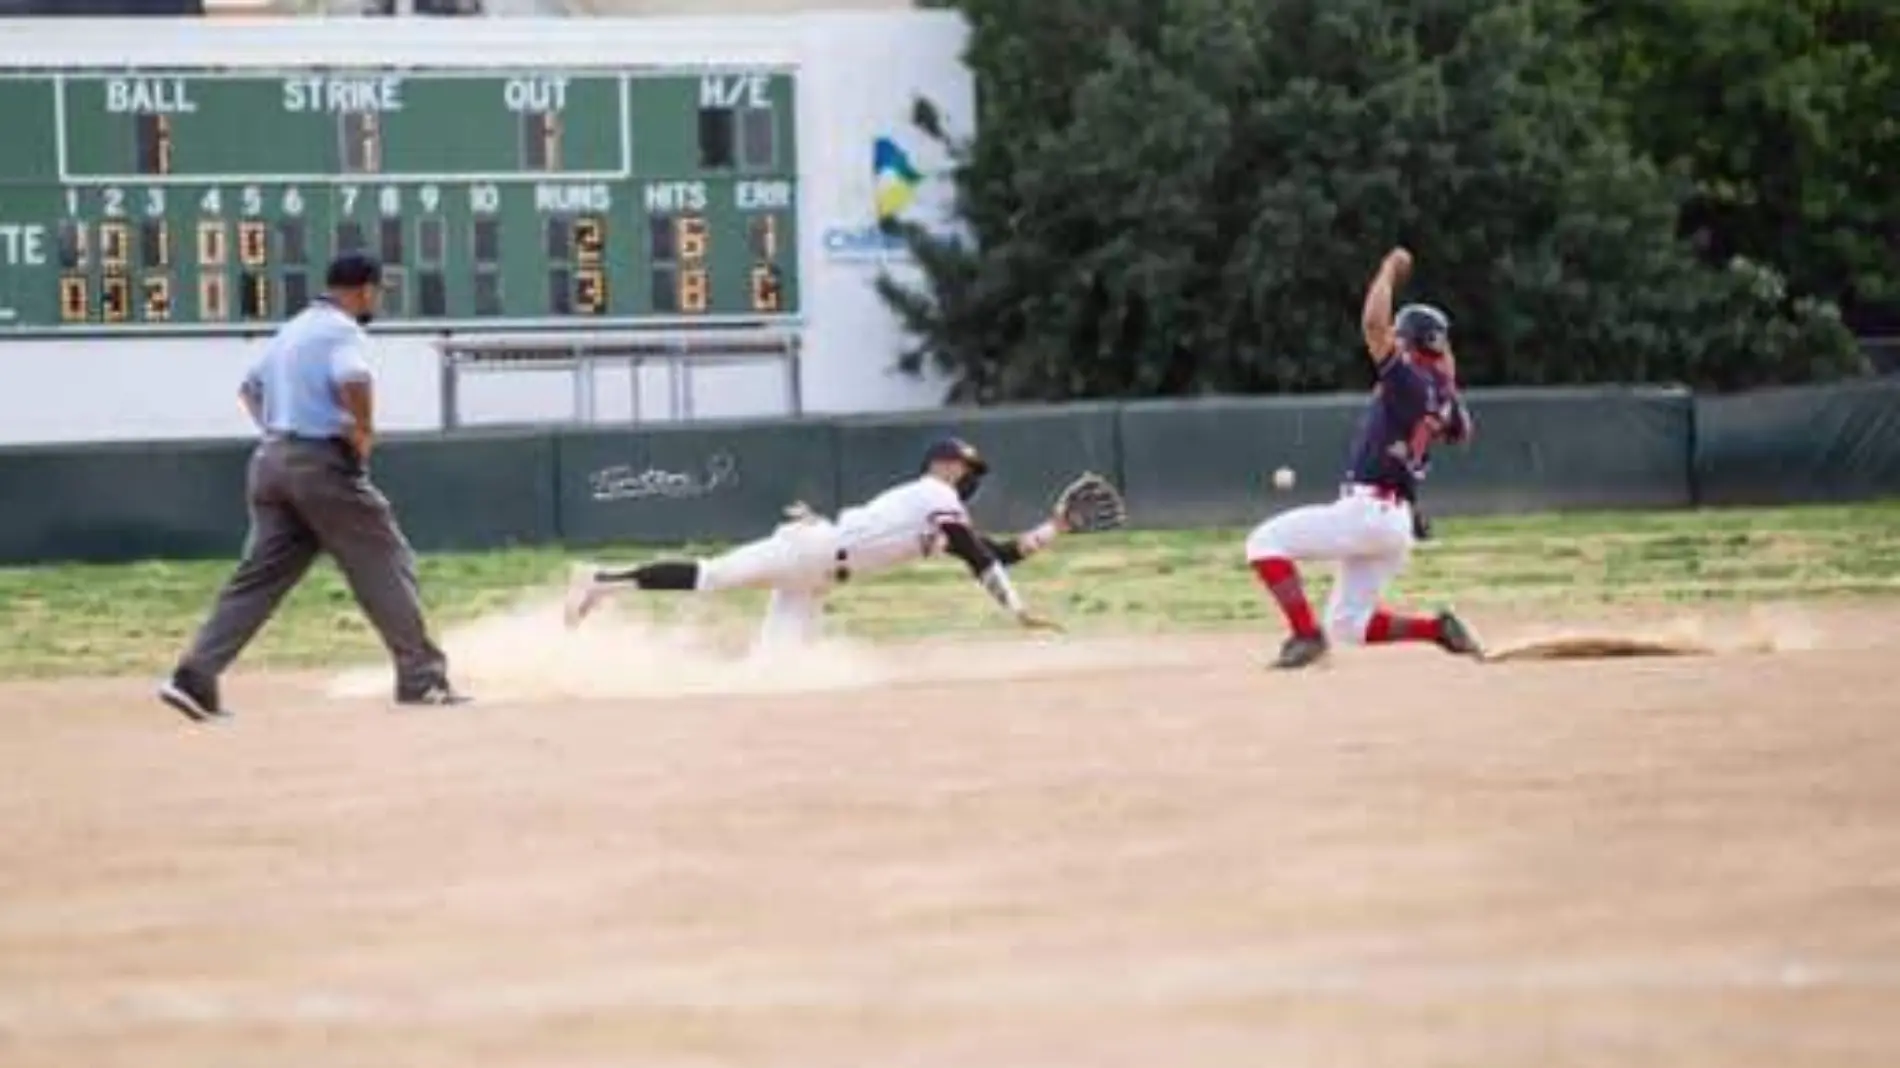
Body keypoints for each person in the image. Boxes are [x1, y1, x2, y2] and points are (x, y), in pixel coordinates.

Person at [157, 252, 467, 721]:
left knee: (258, 578)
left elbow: (249, 388)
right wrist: (362, 428)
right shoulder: (343, 330)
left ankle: (195, 676)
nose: (375, 300)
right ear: (364, 289)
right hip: (321, 465)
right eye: (376, 292)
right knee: (385, 560)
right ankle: (422, 679)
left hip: (271, 460)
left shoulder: (295, 328)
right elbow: (353, 376)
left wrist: (279, 434)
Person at [564, 437, 1068, 649]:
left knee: (778, 672)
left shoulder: (935, 520)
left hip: (819, 575)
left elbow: (994, 553)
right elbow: (978, 554)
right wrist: (1016, 609)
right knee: (713, 575)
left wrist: (1055, 528)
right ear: (942, 466)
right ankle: (602, 579)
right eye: (963, 466)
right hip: (809, 551)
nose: (966, 475)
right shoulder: (934, 494)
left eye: (969, 470)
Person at [1244, 247, 1485, 669]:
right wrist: (1445, 371)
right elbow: (1463, 432)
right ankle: (1437, 630)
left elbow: (1373, 325)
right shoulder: (1443, 394)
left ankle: (1304, 634)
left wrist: (1388, 270)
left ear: (1408, 341)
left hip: (1370, 509)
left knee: (1263, 543)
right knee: (1349, 624)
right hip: (1396, 523)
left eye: (1399, 334)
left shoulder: (1407, 380)